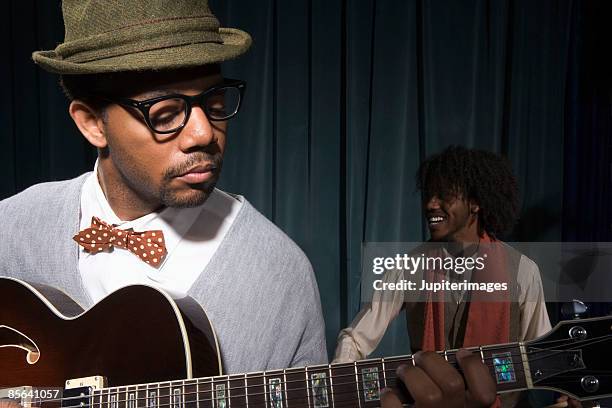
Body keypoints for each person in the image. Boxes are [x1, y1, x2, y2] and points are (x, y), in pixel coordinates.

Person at [0, 0, 326, 375]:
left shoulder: (280, 275)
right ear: (92, 124)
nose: (204, 133)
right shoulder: (10, 230)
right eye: (166, 113)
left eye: (214, 101)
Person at [334, 146, 552, 407]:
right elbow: (355, 338)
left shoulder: (523, 271)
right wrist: (341, 383)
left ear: (475, 202)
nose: (430, 204)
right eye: (428, 195)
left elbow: (542, 353)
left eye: (443, 195)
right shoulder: (409, 267)